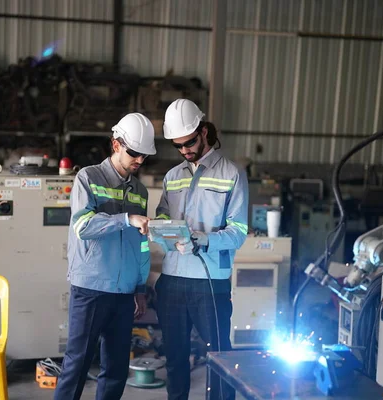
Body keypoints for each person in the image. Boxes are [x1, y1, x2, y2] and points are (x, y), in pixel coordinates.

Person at [54, 112, 156, 400]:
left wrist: (140, 287)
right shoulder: (88, 177)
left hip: (124, 293)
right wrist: (125, 218)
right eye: (134, 153)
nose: (139, 161)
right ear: (116, 144)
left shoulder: (140, 190)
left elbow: (141, 245)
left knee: (116, 368)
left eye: (144, 156)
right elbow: (83, 227)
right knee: (77, 364)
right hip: (91, 288)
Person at [154, 99, 249, 400]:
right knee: (175, 360)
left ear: (205, 131)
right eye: (178, 146)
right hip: (171, 281)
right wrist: (160, 228)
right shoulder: (172, 177)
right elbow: (162, 217)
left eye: (190, 142)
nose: (185, 151)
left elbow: (238, 232)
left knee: (220, 359)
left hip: (210, 283)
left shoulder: (231, 174)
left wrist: (202, 238)